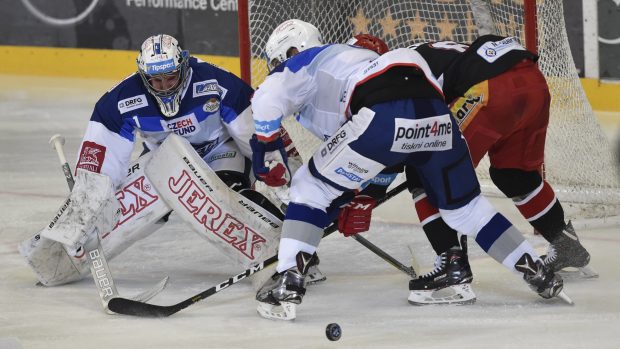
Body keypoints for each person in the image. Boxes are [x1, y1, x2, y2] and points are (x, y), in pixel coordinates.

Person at [249, 19, 568, 321]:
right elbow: (388, 154)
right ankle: (536, 270)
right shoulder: (353, 59)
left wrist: (264, 151)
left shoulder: (304, 63)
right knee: (466, 210)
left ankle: (287, 281)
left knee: (308, 187)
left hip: (383, 111)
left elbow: (265, 98)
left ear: (289, 52)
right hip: (437, 116)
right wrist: (362, 195)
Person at [19, 33, 325, 287]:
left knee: (229, 194)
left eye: (170, 77)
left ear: (184, 65)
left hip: (220, 151)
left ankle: (291, 253)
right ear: (143, 76)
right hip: (165, 158)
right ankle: (60, 255)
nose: (164, 86)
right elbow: (100, 160)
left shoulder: (217, 83)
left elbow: (256, 134)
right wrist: (85, 205)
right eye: (156, 80)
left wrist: (282, 180)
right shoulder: (120, 101)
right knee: (118, 203)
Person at [343, 34, 596, 305]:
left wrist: (368, 193)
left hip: (490, 89)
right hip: (533, 82)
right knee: (514, 174)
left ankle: (453, 265)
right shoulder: (419, 53)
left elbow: (399, 143)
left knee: (426, 168)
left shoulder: (388, 74)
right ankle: (565, 243)